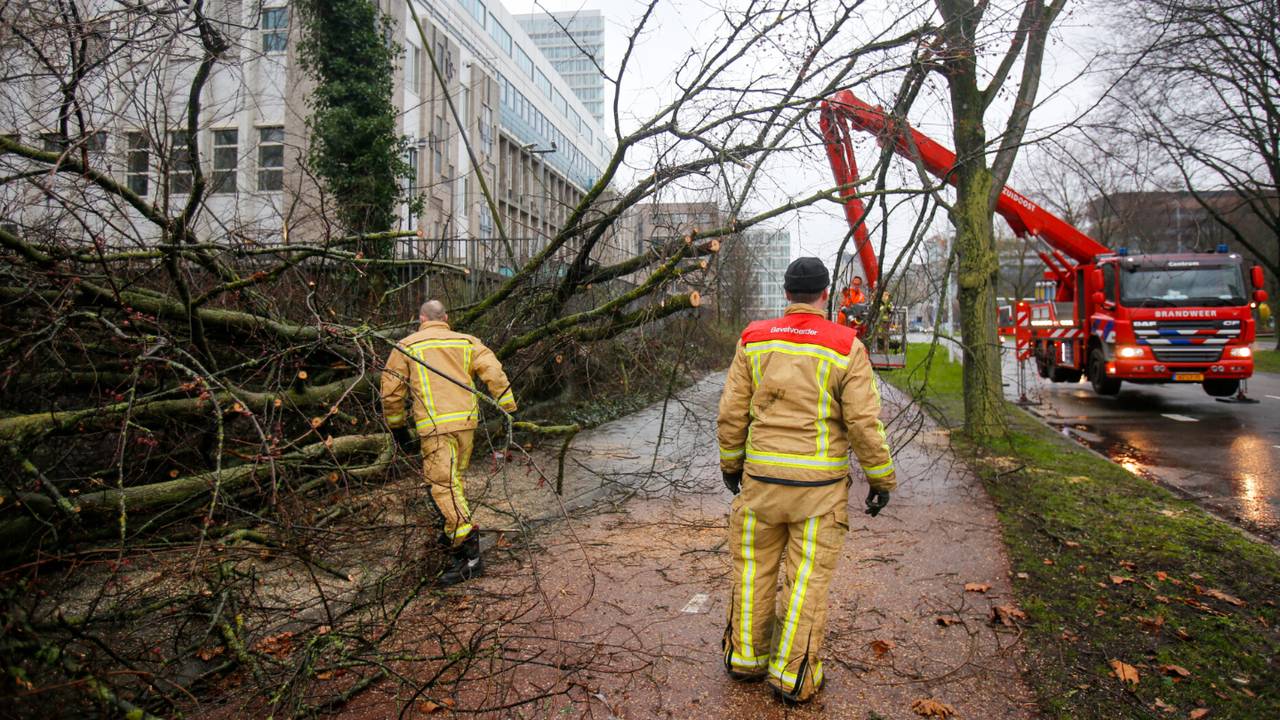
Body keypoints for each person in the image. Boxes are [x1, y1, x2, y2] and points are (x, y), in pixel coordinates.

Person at [717, 257, 897, 704]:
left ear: (786, 293)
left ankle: (744, 659)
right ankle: (793, 677)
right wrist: (881, 480)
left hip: (759, 484)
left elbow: (731, 412)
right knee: (805, 582)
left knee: (753, 571)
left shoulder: (754, 341)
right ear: (826, 294)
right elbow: (863, 423)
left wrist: (730, 465)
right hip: (818, 495)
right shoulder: (845, 346)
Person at [381, 300, 517, 585]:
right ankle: (451, 534)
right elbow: (493, 371)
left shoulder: (407, 346)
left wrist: (397, 427)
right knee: (453, 481)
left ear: (420, 318)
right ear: (446, 317)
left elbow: (391, 392)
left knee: (443, 486)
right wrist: (508, 408)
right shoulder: (467, 342)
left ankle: (470, 556)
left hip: (435, 427)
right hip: (466, 424)